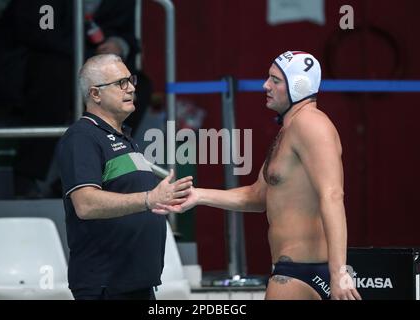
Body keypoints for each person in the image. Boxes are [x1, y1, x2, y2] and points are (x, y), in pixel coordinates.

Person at [156, 51, 361, 300]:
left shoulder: (311, 124)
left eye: (275, 80)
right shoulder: (288, 131)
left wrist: (339, 273)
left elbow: (332, 195)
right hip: (295, 271)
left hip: (301, 273)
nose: (266, 85)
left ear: (299, 86)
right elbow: (257, 196)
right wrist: (198, 195)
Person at [57, 54, 192, 300]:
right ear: (95, 94)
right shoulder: (82, 137)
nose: (131, 88)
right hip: (106, 286)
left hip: (137, 285)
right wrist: (149, 198)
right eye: (120, 83)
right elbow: (85, 204)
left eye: (131, 80)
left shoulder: (124, 138)